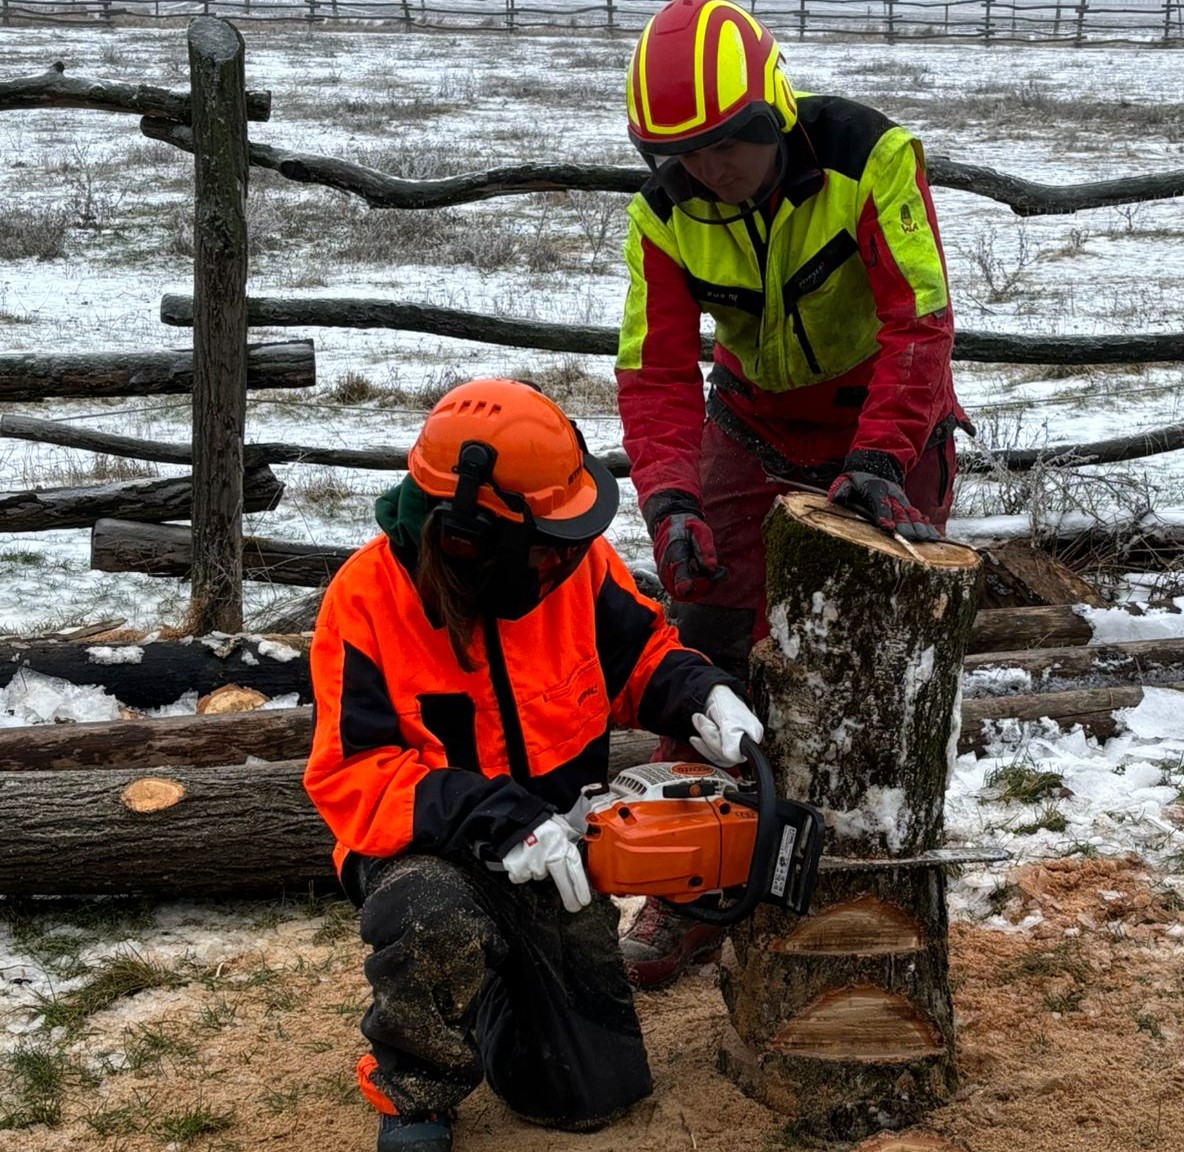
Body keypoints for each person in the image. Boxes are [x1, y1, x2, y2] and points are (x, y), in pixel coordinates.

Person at [303, 378, 763, 1152]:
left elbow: (638, 658)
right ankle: (415, 1094)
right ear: (467, 536)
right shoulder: (365, 604)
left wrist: (703, 694)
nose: (565, 558)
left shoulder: (572, 571)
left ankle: (492, 994)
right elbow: (354, 775)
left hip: (557, 857)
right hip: (430, 855)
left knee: (589, 1097)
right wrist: (496, 819)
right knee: (429, 916)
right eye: (547, 545)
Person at [614, 0, 967, 986]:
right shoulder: (665, 211)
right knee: (704, 640)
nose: (706, 170)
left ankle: (863, 886)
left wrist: (885, 456)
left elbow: (919, 319)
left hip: (884, 416)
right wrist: (671, 498)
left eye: (724, 145)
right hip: (752, 420)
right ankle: (688, 885)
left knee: (867, 652)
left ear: (769, 115)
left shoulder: (873, 158)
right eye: (678, 152)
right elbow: (655, 374)